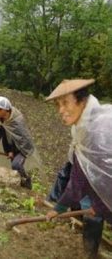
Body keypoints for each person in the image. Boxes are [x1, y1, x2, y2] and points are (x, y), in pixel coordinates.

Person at [45, 79, 112, 258]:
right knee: (93, 214)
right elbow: (81, 177)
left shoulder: (100, 128)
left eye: (65, 102)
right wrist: (59, 208)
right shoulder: (81, 128)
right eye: (58, 105)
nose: (61, 110)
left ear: (82, 101)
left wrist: (99, 206)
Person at [0, 96, 39, 189]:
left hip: (23, 147)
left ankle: (27, 183)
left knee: (16, 165)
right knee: (14, 167)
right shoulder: (0, 119)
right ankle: (19, 184)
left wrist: (13, 151)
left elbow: (21, 139)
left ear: (5, 110)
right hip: (11, 146)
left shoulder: (17, 121)